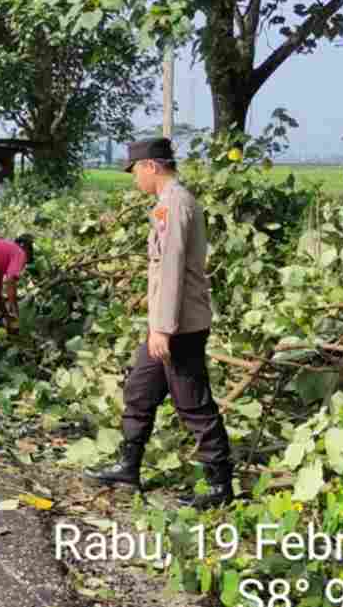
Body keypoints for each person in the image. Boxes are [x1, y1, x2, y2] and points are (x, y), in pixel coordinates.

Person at [84, 137, 233, 510]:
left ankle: (219, 484)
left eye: (136, 171)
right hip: (166, 323)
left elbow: (171, 269)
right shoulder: (167, 204)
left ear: (151, 166)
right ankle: (128, 467)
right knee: (139, 390)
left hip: (179, 325)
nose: (135, 179)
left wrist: (162, 328)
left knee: (192, 403)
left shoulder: (175, 204)